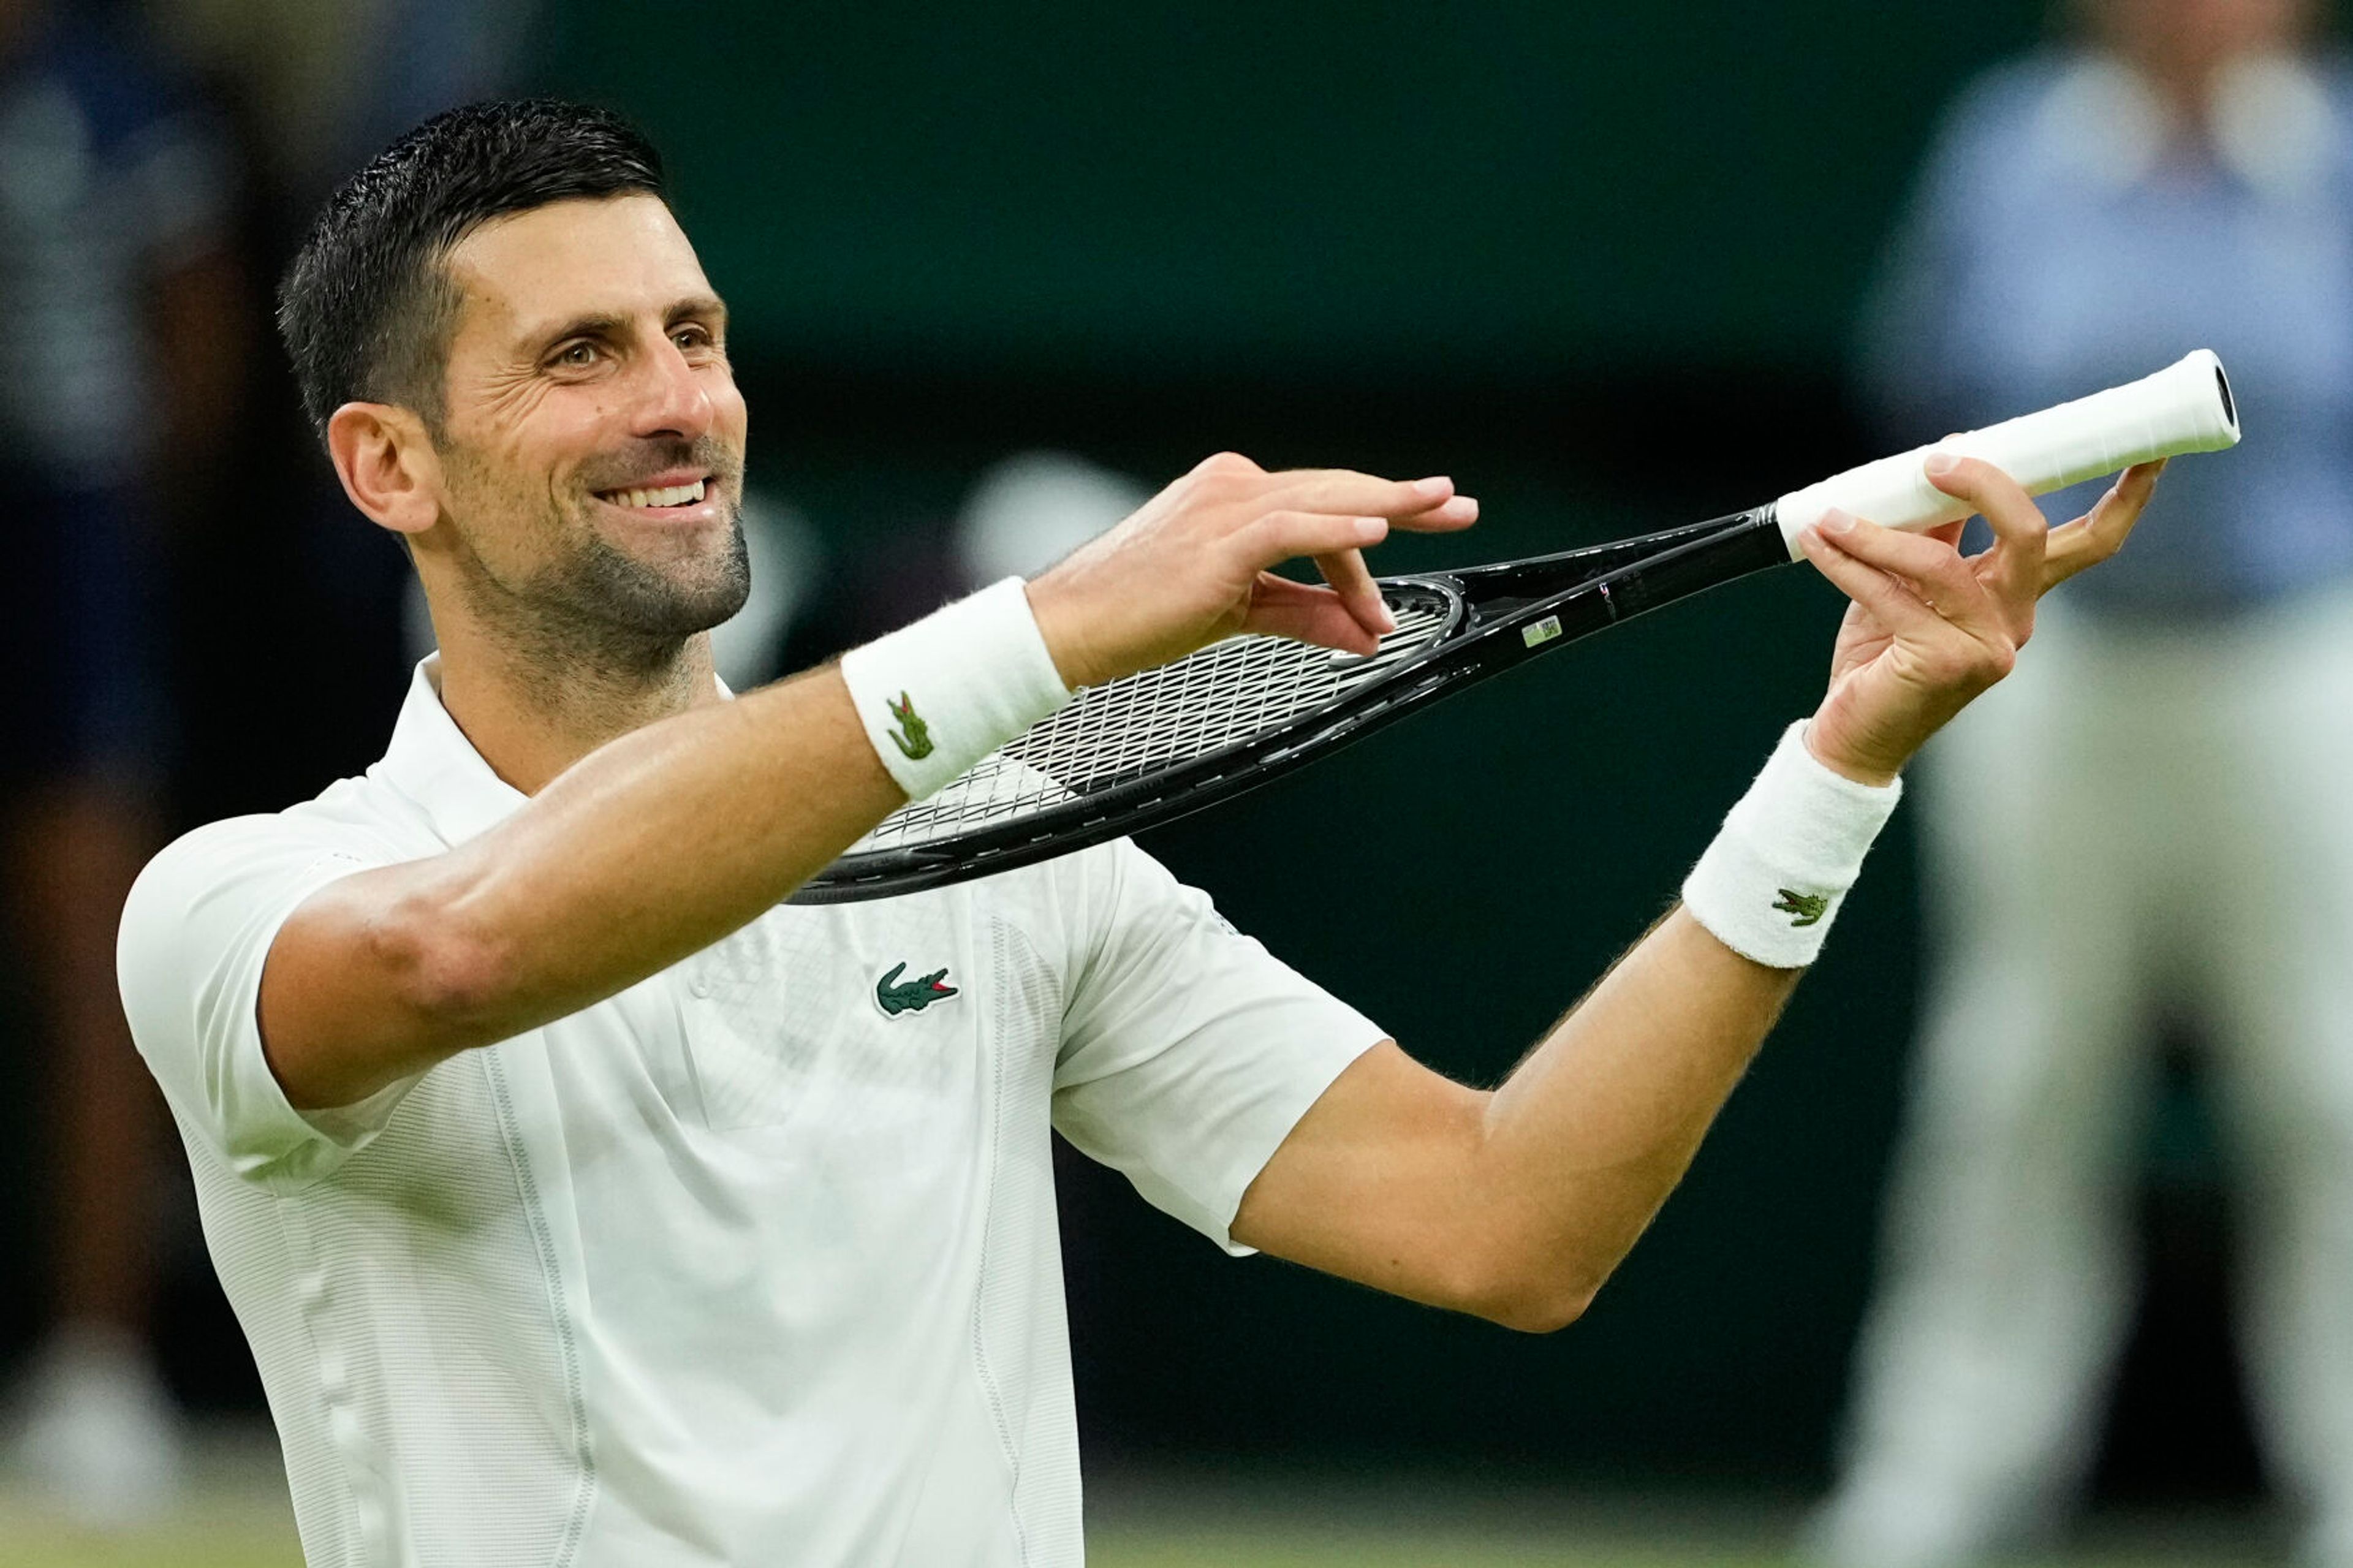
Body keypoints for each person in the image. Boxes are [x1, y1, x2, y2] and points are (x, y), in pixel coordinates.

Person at [116, 99, 2158, 1566]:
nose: (678, 402)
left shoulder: (1017, 868)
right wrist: (1056, 625)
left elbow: (1506, 1218)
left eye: (697, 335)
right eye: (583, 354)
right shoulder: (242, 905)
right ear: (390, 464)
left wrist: (1843, 762)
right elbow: (465, 954)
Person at [1807, 2, 2353, 1565]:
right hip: (2055, 676)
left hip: (2301, 672)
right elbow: (1926, 382)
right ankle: (1931, 1494)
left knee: (2332, 1081)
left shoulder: (2335, 158)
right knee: (2018, 1077)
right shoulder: (2010, 147)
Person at [0, 0, 246, 1525]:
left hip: (65, 537)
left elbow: (197, 315)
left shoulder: (113, 89)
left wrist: (130, 508)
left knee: (93, 958)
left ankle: (99, 1364)